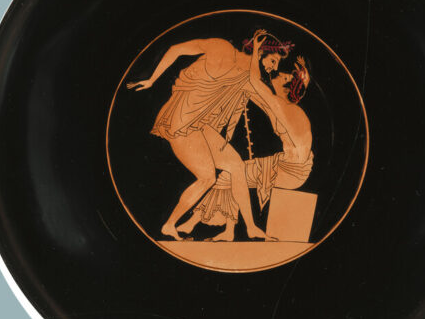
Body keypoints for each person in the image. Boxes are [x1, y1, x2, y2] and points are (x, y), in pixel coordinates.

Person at [128, 30, 292, 240]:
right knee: (207, 177)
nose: (274, 68)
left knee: (237, 166)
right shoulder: (221, 48)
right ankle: (169, 225)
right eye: (273, 60)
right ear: (259, 53)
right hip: (181, 122)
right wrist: (152, 79)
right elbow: (176, 49)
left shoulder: (243, 73)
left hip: (199, 125)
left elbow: (257, 83)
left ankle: (251, 227)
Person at [178, 36, 314, 241]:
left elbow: (253, 83)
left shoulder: (281, 107)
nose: (274, 75)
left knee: (231, 174)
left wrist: (256, 51)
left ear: (286, 84)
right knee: (234, 171)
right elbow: (255, 90)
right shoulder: (288, 108)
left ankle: (207, 226)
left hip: (291, 171)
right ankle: (225, 231)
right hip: (292, 165)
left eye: (280, 75)